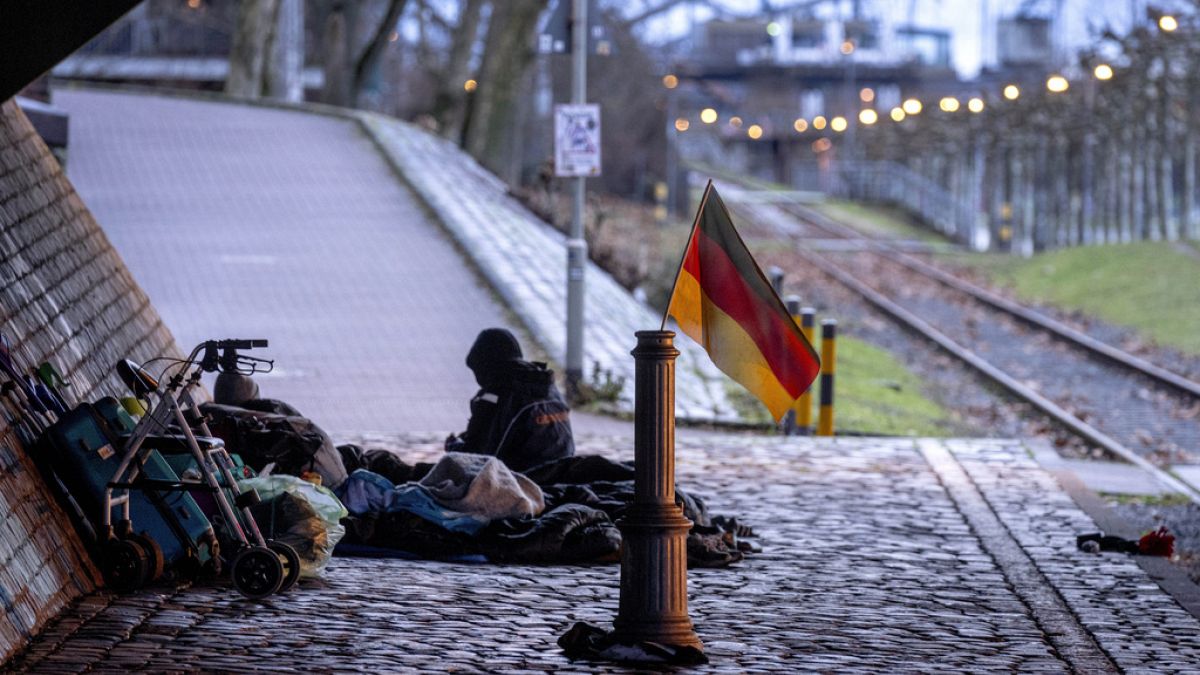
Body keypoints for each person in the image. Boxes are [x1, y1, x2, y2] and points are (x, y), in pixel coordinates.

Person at [445, 328, 575, 472]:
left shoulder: (496, 394)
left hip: (521, 480)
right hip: (563, 471)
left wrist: (452, 446)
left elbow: (474, 456)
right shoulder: (546, 384)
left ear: (483, 366)